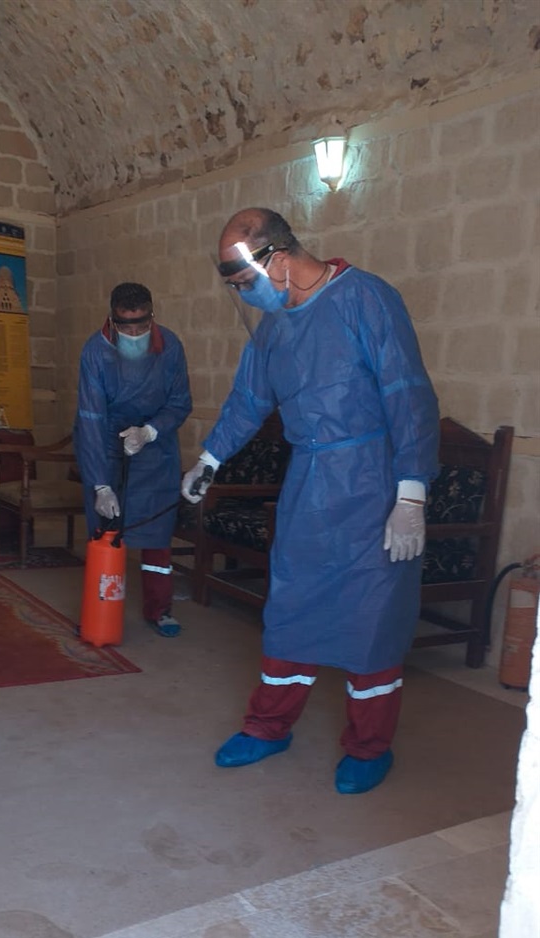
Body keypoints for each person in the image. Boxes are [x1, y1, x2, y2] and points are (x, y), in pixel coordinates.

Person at [182, 208, 440, 792]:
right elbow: (249, 398)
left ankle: (369, 747)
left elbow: (408, 395)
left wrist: (411, 495)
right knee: (290, 610)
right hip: (309, 485)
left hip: (373, 484)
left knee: (372, 619)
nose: (245, 296)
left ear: (277, 259)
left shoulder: (366, 299)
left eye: (245, 283)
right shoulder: (275, 327)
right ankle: (268, 727)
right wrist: (210, 459)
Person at [74, 282, 192, 636]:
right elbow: (90, 419)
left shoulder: (170, 346)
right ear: (112, 320)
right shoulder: (95, 352)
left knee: (156, 534)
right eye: (127, 327)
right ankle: (100, 607)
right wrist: (100, 484)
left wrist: (150, 432)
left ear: (152, 317)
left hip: (155, 446)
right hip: (107, 443)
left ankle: (160, 610)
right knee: (106, 530)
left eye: (142, 326)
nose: (135, 334)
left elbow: (180, 403)